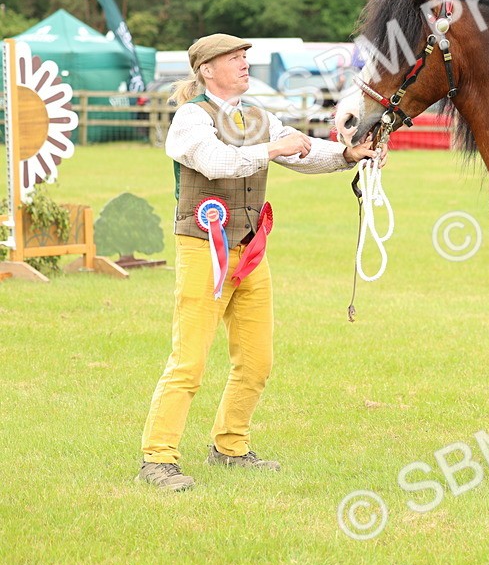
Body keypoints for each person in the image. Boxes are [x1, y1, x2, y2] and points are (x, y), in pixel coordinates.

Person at [136, 34, 381, 491]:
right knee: (189, 362)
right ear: (207, 70)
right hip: (203, 250)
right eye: (234, 58)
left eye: (245, 57)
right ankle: (157, 459)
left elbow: (302, 149)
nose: (244, 63)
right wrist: (273, 149)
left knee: (256, 361)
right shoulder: (191, 117)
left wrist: (346, 155)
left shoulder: (257, 115)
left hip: (250, 251)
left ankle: (230, 447)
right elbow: (216, 162)